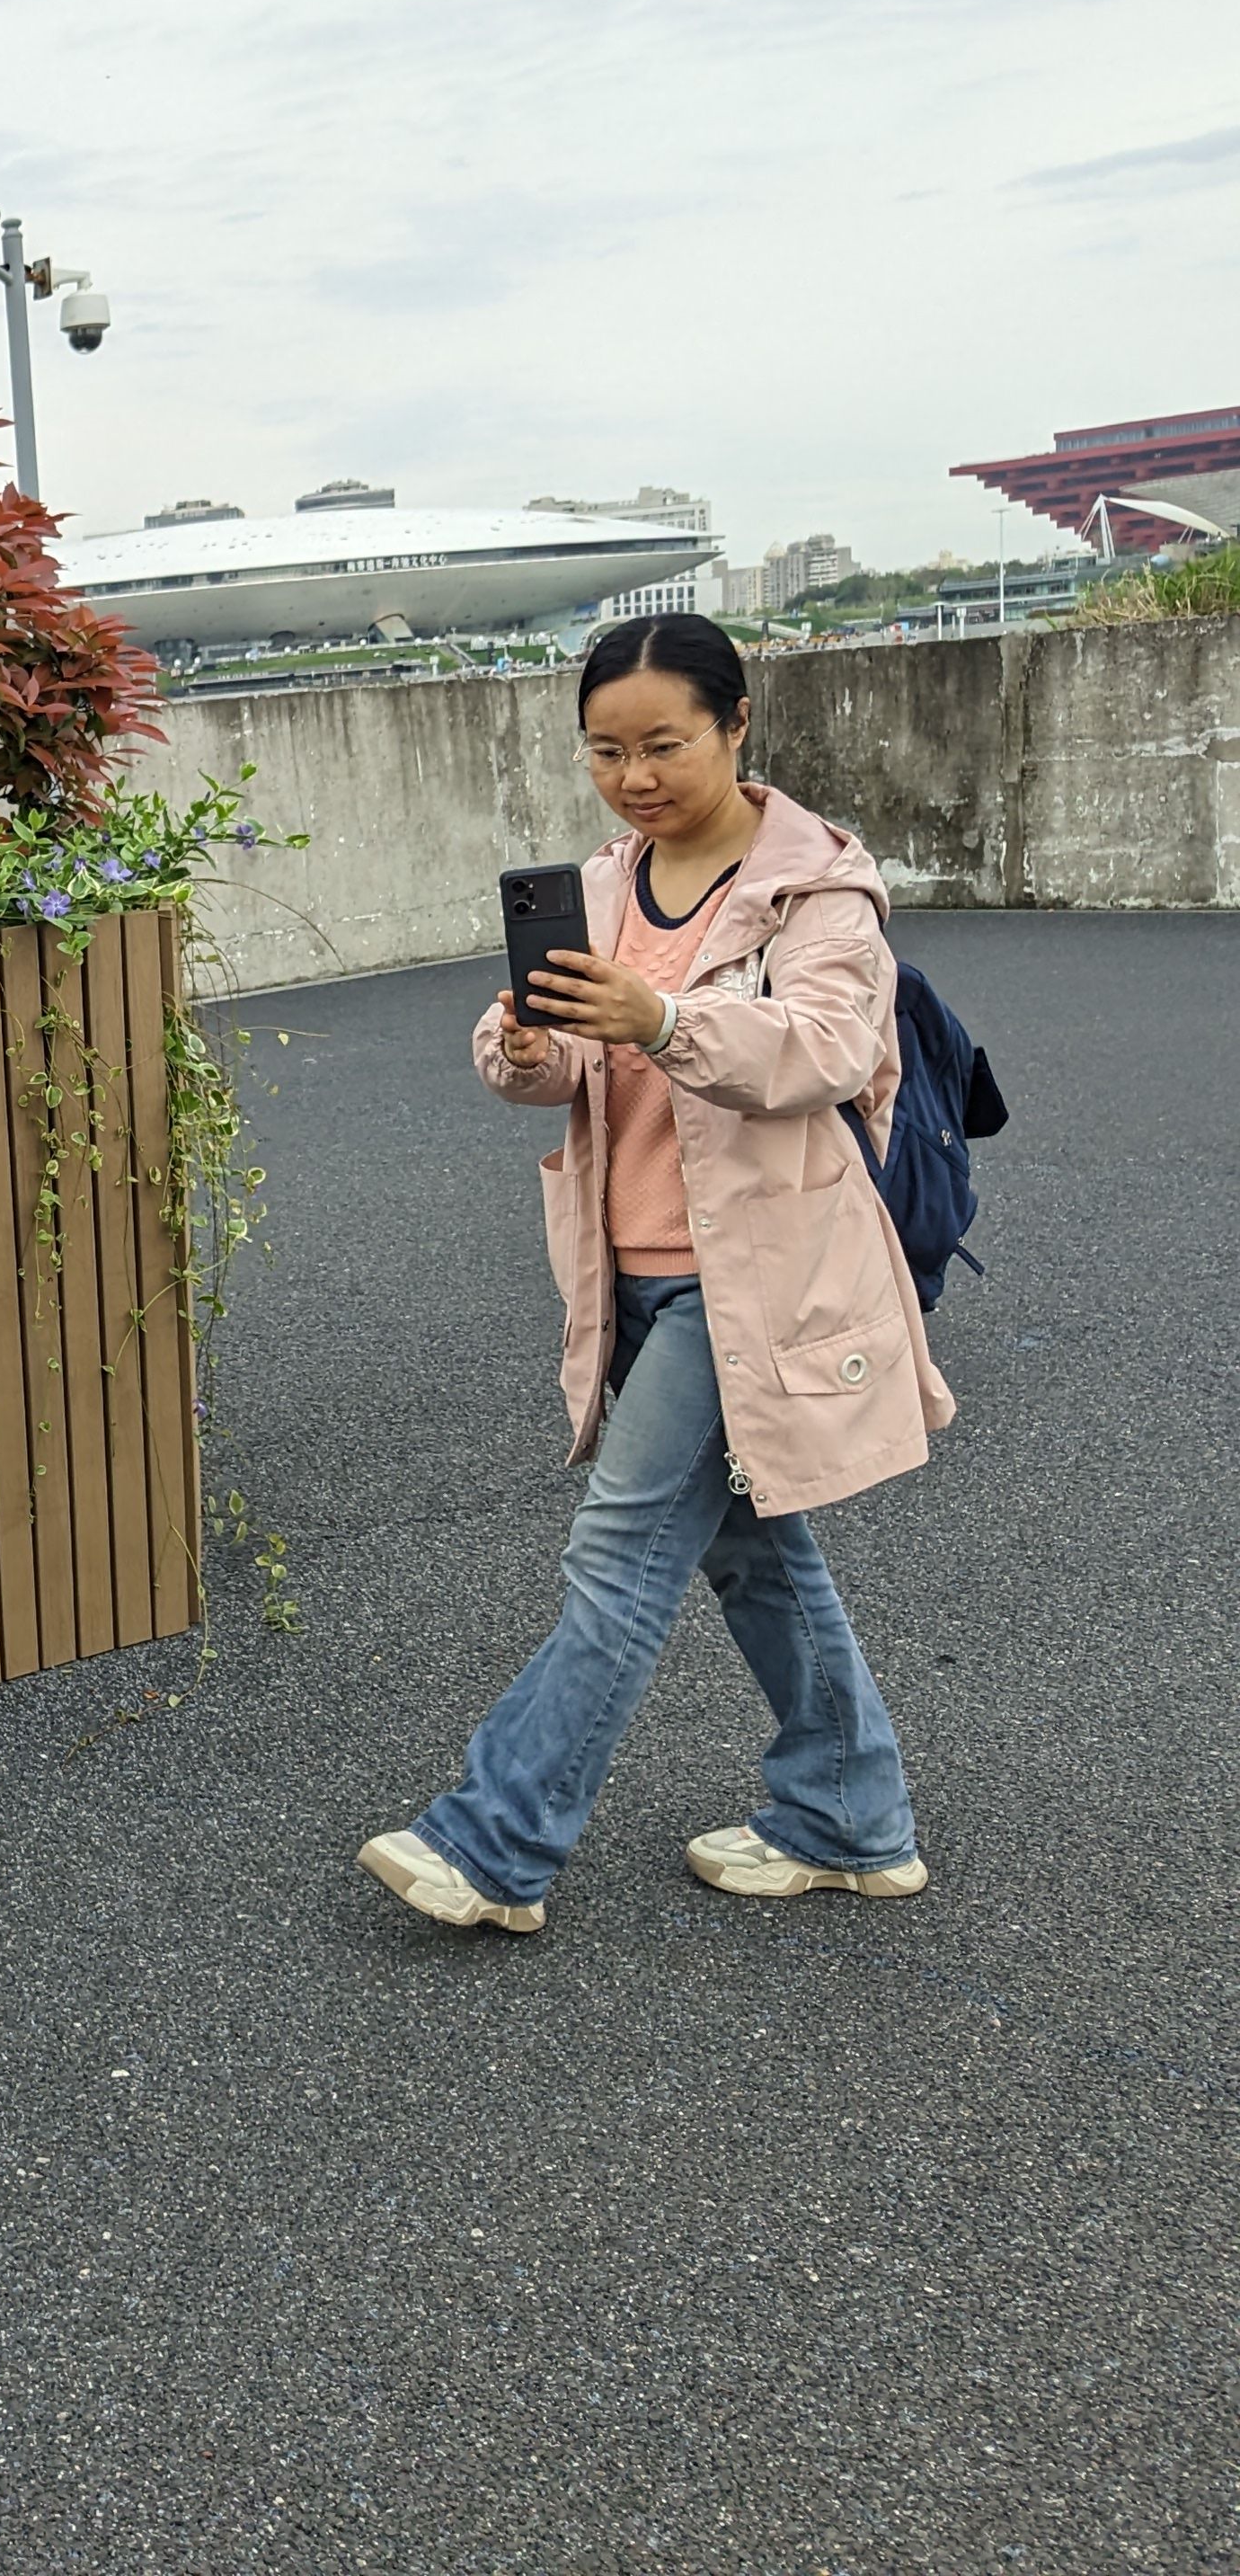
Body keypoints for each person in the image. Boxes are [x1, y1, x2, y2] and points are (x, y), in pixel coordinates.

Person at [361, 612, 950, 1935]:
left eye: (663, 745)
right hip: (626, 1271)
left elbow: (828, 1049)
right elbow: (570, 1070)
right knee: (753, 1553)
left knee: (621, 1550)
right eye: (606, 751)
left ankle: (495, 1842)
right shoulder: (606, 884)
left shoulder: (817, 892)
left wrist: (666, 1017)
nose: (633, 777)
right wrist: (530, 1045)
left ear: (737, 727)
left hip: (746, 1284)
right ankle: (850, 1820)